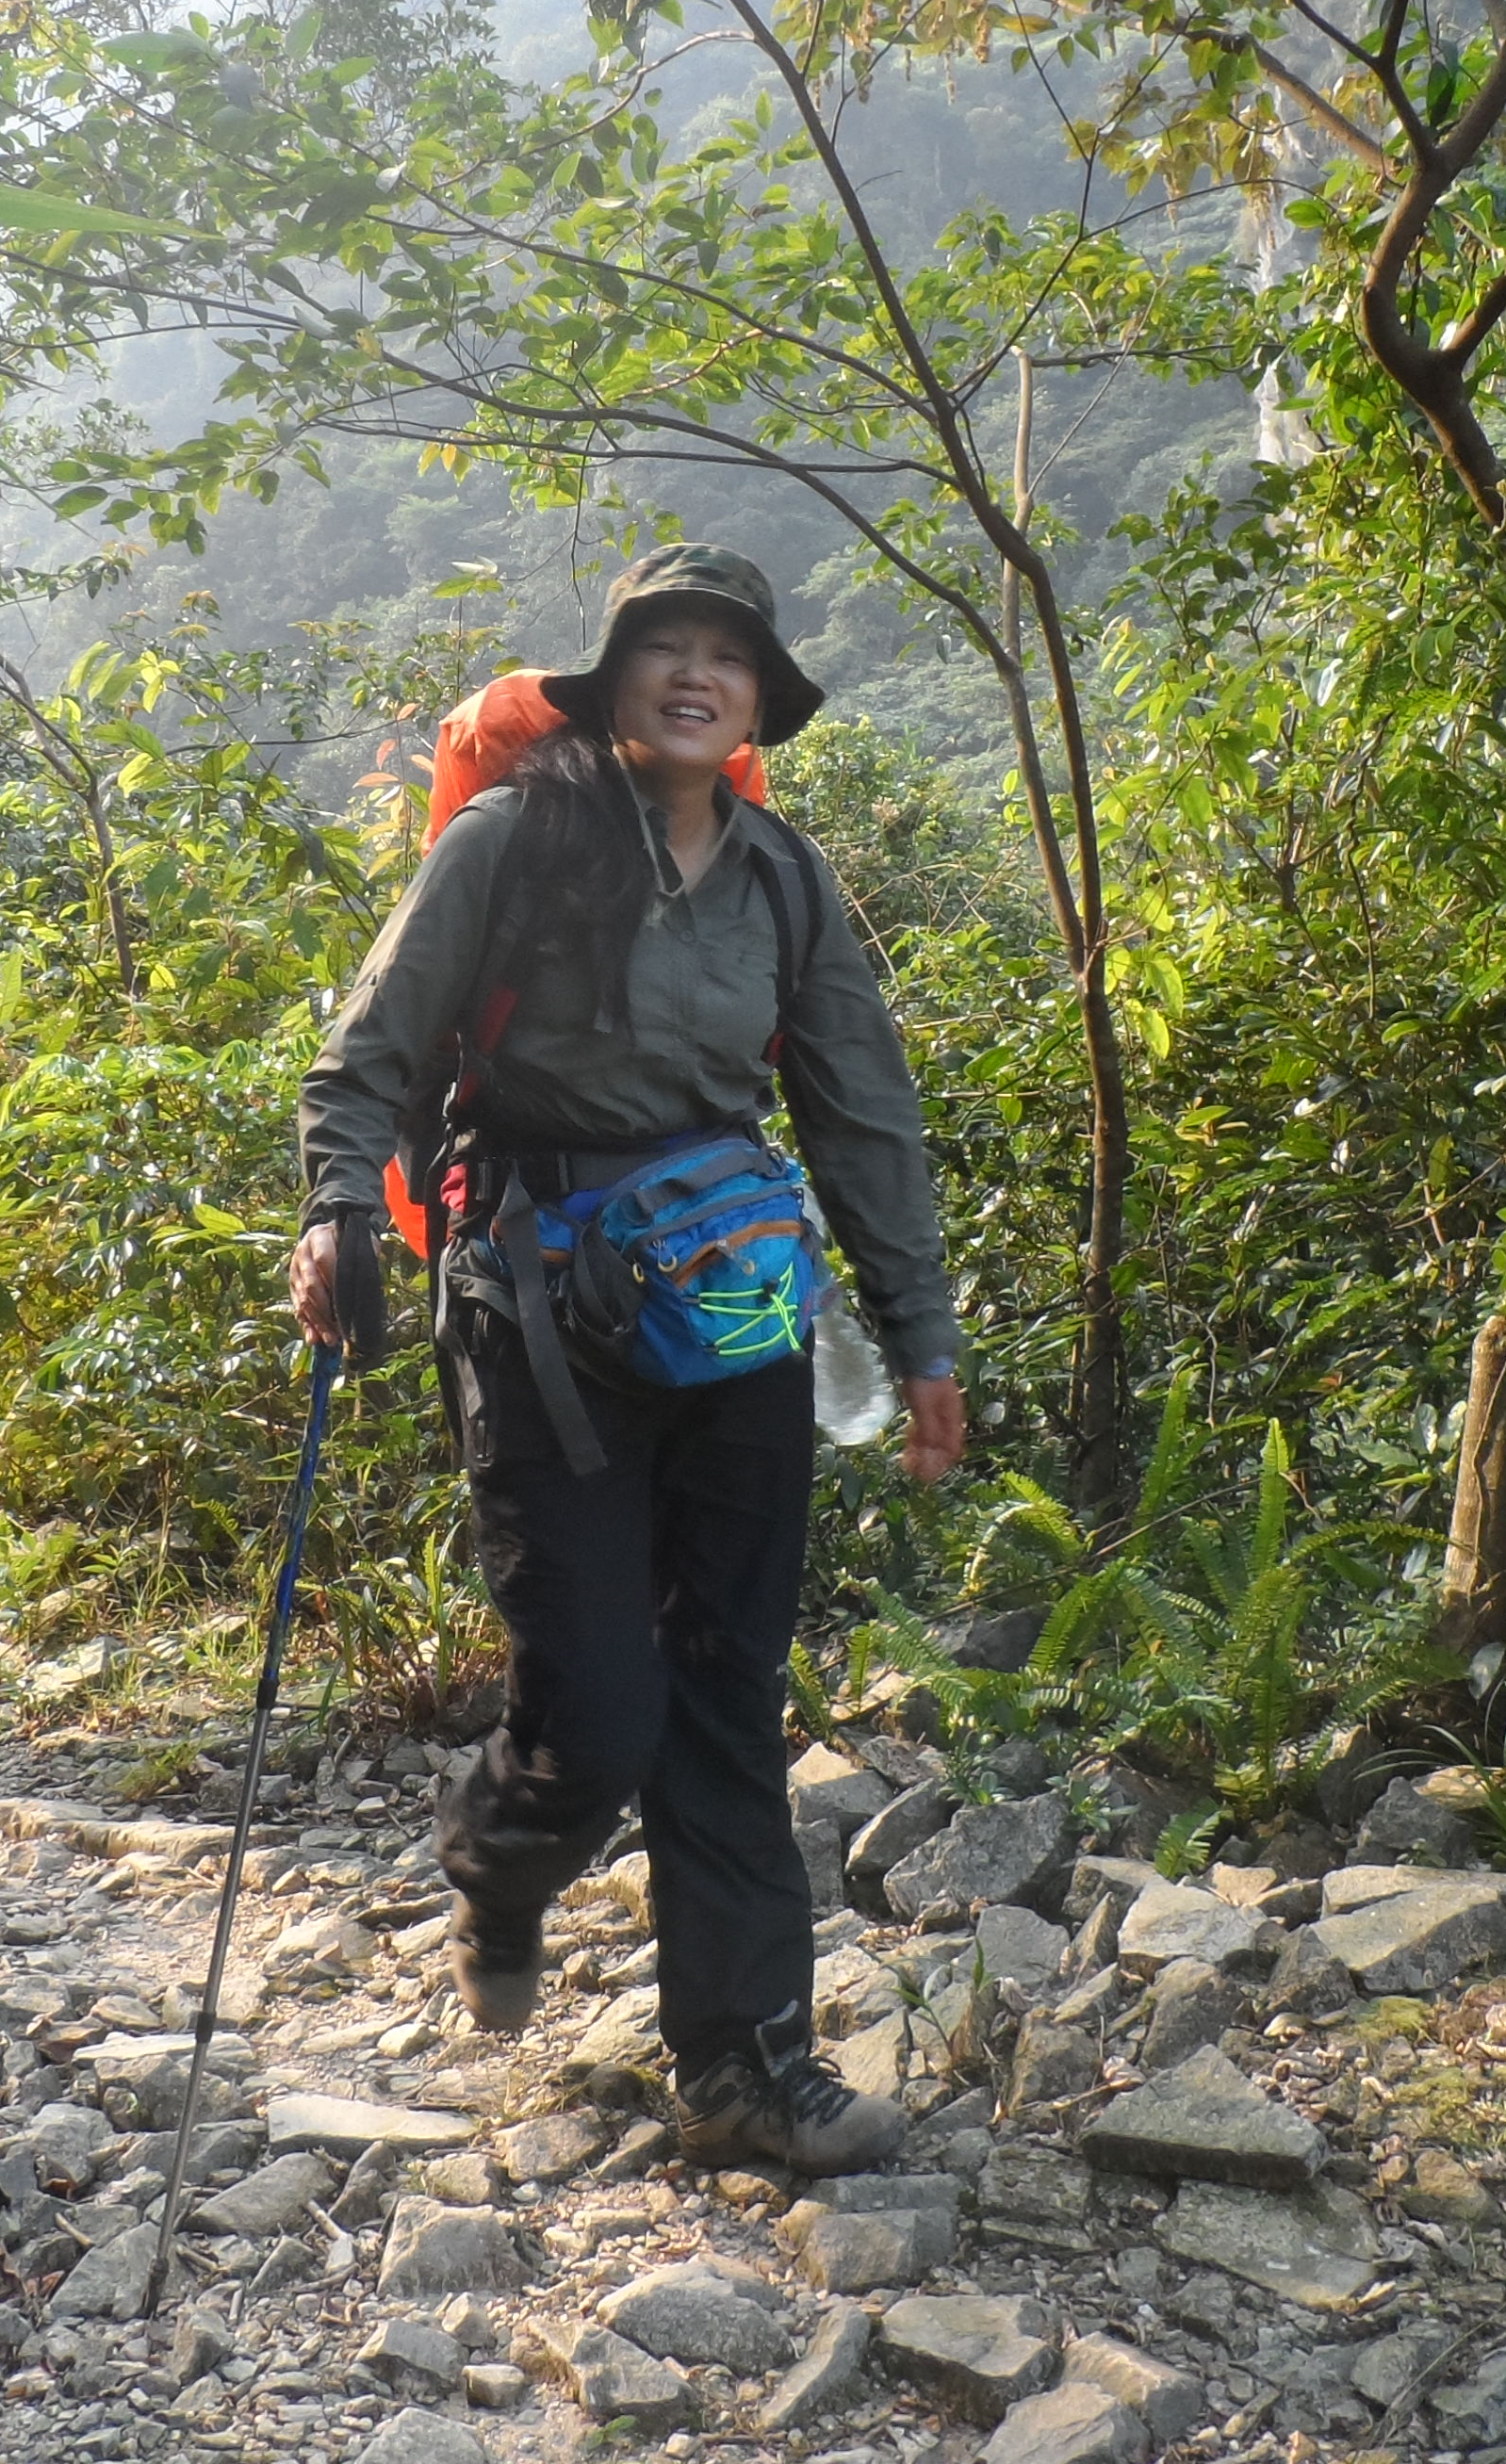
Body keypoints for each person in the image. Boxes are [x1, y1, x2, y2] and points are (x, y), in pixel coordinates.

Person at [292, 544, 969, 2176]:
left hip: (737, 1305)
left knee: (727, 1684)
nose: (694, 672)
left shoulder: (783, 877)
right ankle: (500, 1851)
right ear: (617, 685)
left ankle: (744, 2063)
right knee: (598, 1701)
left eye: (725, 657)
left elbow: (861, 1110)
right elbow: (373, 1049)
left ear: (754, 705)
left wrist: (921, 1335)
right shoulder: (514, 840)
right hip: (540, 1305)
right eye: (664, 647)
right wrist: (337, 1216)